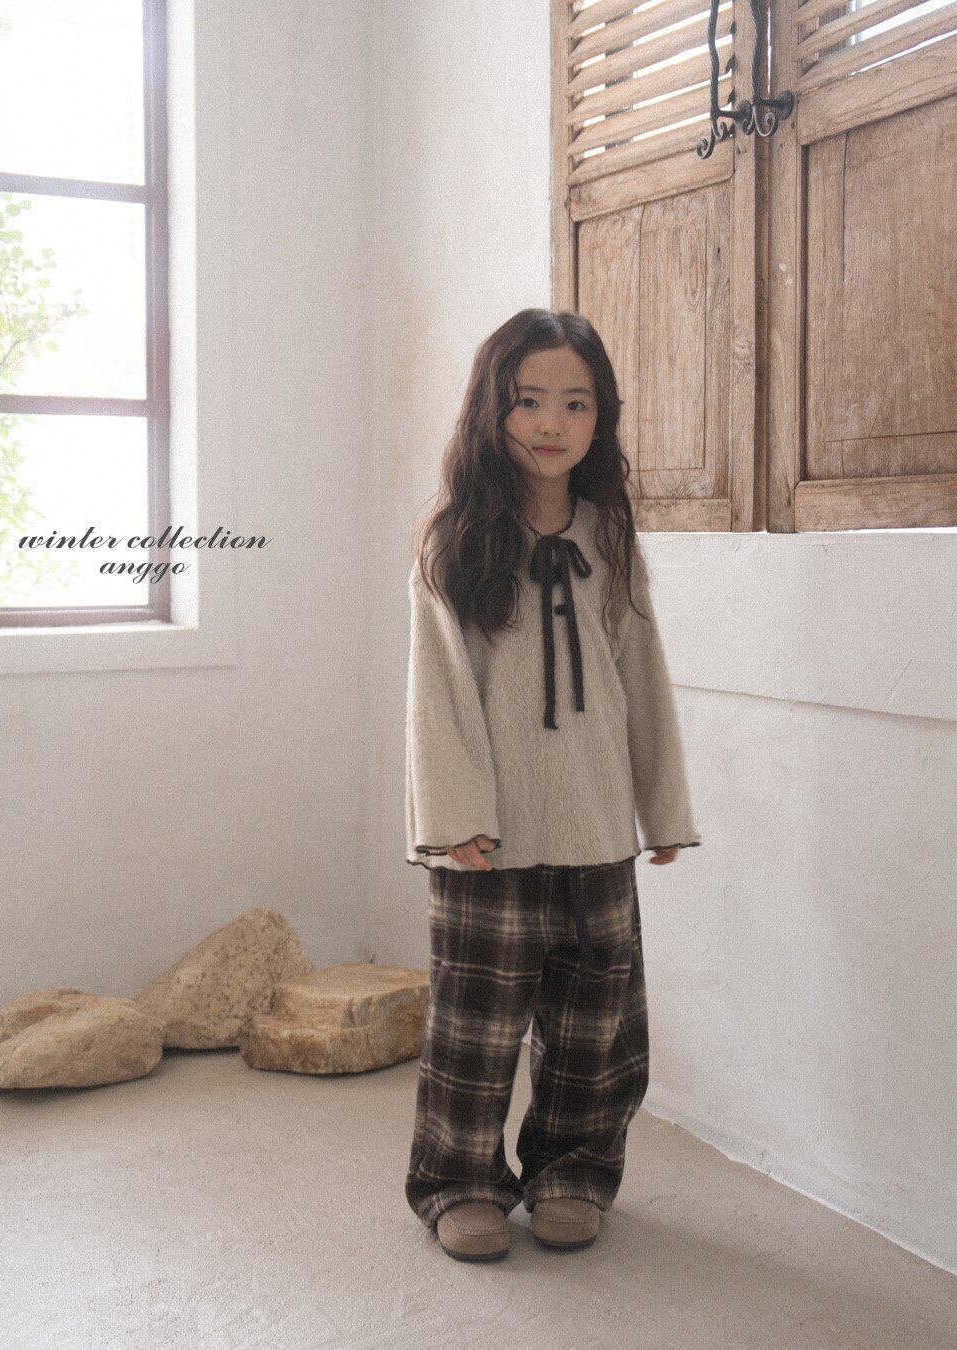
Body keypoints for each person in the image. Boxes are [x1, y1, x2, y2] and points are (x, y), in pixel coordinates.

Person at [403, 307, 702, 1262]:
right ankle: (460, 1182)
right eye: (529, 400)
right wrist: (454, 816)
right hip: (489, 836)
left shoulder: (610, 534)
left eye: (576, 403)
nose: (550, 422)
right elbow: (439, 691)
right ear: (492, 408)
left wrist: (661, 806)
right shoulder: (452, 539)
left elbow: (641, 671)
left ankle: (573, 1173)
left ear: (600, 418)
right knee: (476, 1029)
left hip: (597, 822)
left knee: (594, 1027)